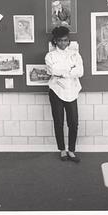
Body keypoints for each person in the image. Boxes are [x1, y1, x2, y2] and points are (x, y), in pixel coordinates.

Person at [45, 26, 84, 163]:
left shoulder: (75, 54)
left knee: (73, 122)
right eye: (60, 40)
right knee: (58, 122)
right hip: (56, 91)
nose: (63, 43)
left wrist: (61, 71)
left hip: (72, 91)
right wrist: (70, 69)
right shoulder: (50, 56)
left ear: (69, 41)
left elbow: (80, 72)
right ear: (55, 41)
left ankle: (71, 150)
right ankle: (62, 150)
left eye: (65, 40)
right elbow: (52, 70)